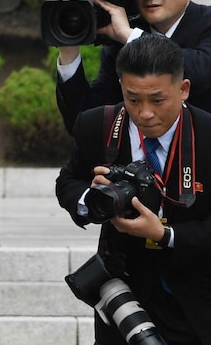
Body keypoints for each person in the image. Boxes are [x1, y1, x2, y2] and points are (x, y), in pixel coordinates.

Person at [56, 34, 211, 343]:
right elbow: (68, 182)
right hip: (121, 297)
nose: (145, 113)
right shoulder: (95, 124)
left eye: (157, 100)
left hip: (194, 300)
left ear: (184, 90)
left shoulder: (207, 135)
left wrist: (164, 235)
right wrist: (93, 197)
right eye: (133, 99)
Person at [56, 0, 211, 134]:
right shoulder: (122, 41)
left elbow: (201, 70)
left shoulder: (205, 23)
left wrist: (130, 37)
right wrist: (69, 52)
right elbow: (85, 123)